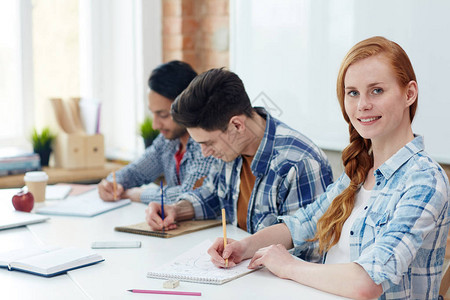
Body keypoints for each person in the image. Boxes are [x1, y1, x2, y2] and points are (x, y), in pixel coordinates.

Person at [207, 36, 450, 299]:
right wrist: (245, 246)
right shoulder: (358, 171)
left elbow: (367, 282)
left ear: (409, 93)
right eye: (353, 93)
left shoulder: (424, 180)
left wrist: (288, 265)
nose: (362, 105)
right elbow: (303, 224)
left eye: (377, 90)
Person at [145, 68, 334, 234]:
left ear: (237, 125)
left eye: (208, 143)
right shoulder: (231, 149)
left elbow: (309, 249)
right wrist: (176, 210)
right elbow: (212, 196)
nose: (205, 152)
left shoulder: (299, 163)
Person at [98, 61, 216, 204]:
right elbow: (135, 171)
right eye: (153, 114)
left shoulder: (208, 143)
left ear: (189, 105)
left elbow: (189, 194)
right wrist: (111, 184)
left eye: (163, 115)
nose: (155, 125)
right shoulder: (167, 141)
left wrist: (137, 194)